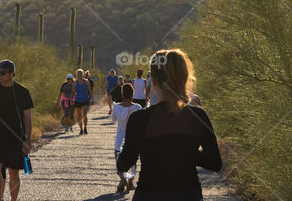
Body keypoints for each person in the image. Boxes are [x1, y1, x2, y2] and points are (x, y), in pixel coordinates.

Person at [117, 49, 222, 200]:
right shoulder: (198, 116)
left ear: (152, 81)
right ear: (184, 79)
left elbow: (125, 163)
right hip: (188, 194)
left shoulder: (139, 118)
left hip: (149, 194)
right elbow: (214, 162)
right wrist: (184, 151)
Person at [0, 59, 33, 201]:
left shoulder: (22, 92)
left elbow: (27, 117)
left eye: (2, 73)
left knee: (14, 174)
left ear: (12, 74)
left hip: (16, 138)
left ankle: (13, 199)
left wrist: (28, 139)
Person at [111, 82, 142, 192]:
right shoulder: (138, 107)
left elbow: (113, 120)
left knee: (119, 161)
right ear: (132, 94)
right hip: (132, 140)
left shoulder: (116, 107)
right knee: (132, 163)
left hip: (119, 139)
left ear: (122, 95)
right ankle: (130, 183)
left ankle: (122, 178)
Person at [73, 68, 92, 134]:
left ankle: (85, 128)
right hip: (78, 100)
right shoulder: (75, 83)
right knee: (79, 115)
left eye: (81, 74)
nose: (79, 75)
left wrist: (91, 98)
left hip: (85, 99)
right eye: (78, 74)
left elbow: (89, 90)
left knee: (85, 114)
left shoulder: (86, 81)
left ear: (83, 74)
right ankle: (81, 129)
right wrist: (72, 100)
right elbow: (73, 92)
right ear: (76, 75)